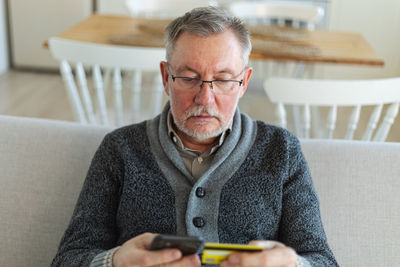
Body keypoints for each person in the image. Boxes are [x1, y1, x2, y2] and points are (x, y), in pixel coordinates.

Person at [52, 6, 338, 267]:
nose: (205, 98)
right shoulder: (119, 149)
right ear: (166, 77)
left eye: (224, 79)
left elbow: (322, 260)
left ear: (244, 83)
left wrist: (294, 264)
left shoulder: (282, 151)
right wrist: (114, 262)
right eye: (189, 78)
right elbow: (68, 259)